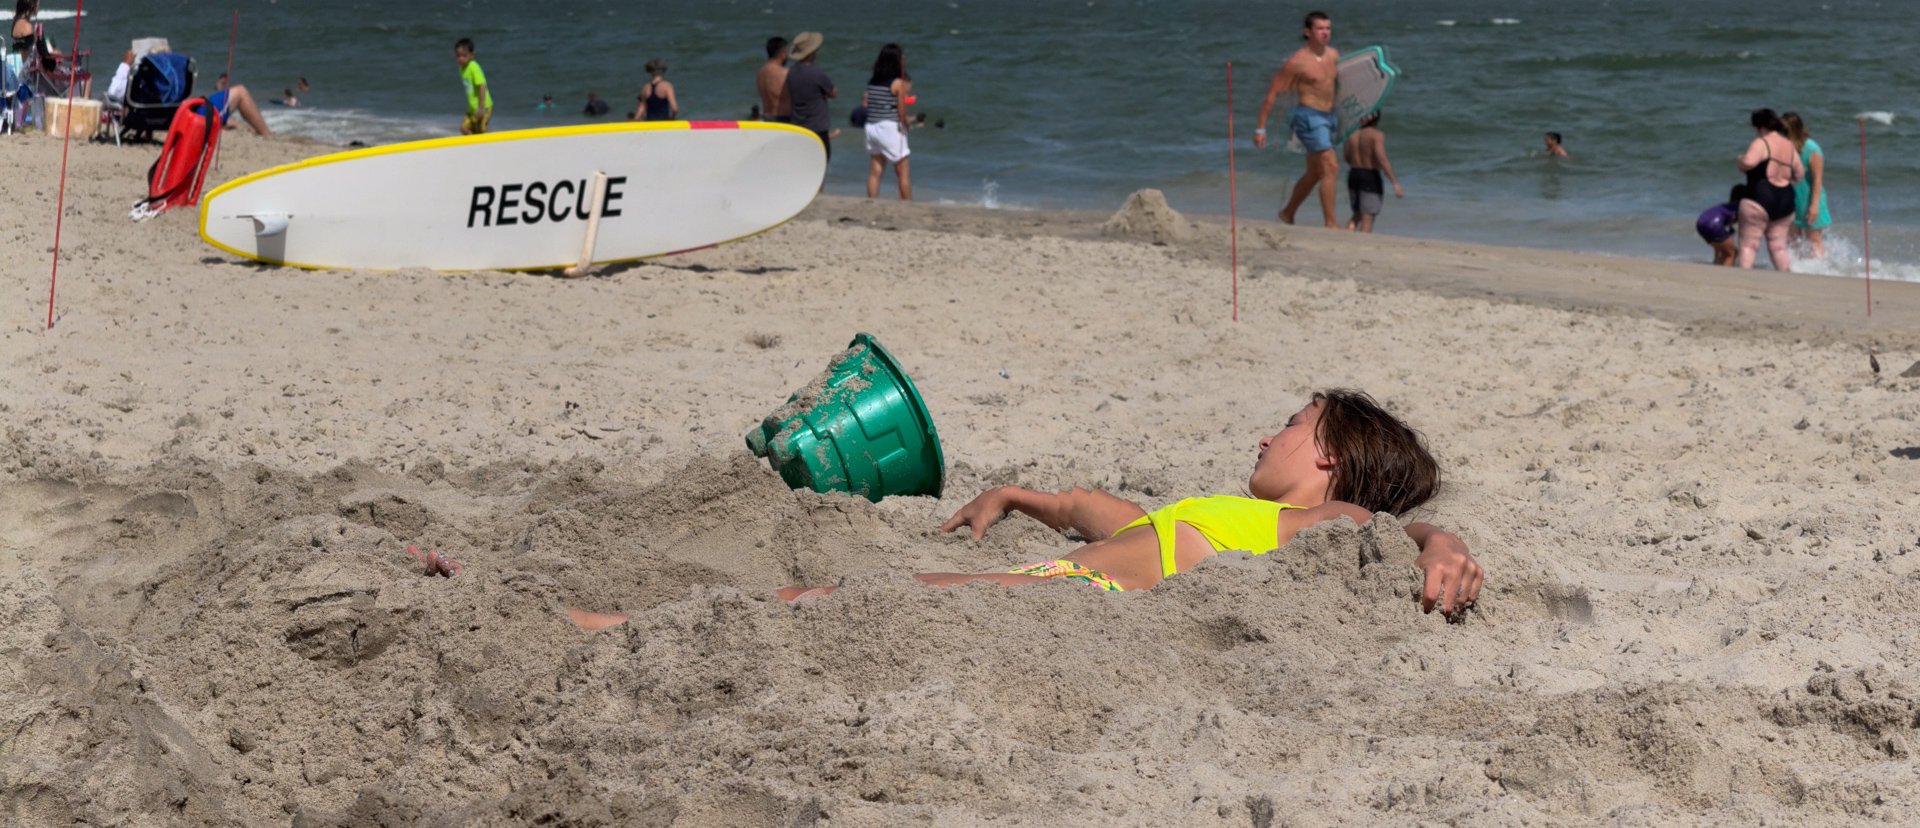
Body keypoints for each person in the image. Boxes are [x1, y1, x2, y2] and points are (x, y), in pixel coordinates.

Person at [773, 390, 1484, 617]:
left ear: (1329, 454)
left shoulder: (1322, 520)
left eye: (1294, 424)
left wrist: (1440, 539)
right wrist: (1022, 497)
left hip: (1071, 592)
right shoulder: (1236, 521)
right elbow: (1109, 518)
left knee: (848, 597)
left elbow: (1382, 529)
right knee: (855, 594)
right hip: (1065, 584)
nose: (1269, 434)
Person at [1255, 11, 1341, 227]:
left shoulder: (1333, 55)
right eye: (1320, 28)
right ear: (1307, 32)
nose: (1325, 33)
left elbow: (1341, 86)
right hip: (1308, 117)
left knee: (1315, 172)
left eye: (1328, 28)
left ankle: (1287, 213)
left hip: (1329, 116)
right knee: (1330, 167)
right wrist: (1260, 129)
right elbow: (1273, 94)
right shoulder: (1297, 62)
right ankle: (1331, 224)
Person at [1733, 108, 1804, 271]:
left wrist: (1740, 160)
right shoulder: (1789, 146)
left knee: (1749, 245)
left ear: (1761, 127)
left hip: (1759, 197)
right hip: (1785, 201)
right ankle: (1785, 278)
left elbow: (1749, 162)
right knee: (1778, 247)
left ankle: (1744, 279)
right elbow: (1800, 174)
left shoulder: (1762, 142)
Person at [863, 43, 912, 200]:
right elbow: (901, 112)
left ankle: (872, 201)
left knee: (876, 169)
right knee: (903, 170)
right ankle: (909, 204)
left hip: (871, 126)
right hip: (889, 127)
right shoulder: (898, 83)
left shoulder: (873, 81)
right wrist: (906, 124)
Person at [1342, 111, 1402, 233]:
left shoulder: (1352, 134)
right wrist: (1395, 182)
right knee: (1367, 217)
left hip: (1354, 174)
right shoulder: (1376, 135)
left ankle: (1347, 238)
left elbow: (1346, 157)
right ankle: (1362, 244)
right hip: (1370, 176)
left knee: (1356, 215)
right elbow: (1382, 159)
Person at [1781, 112, 1830, 259]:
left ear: (1794, 131)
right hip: (1792, 200)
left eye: (1784, 131)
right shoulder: (1785, 148)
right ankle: (1796, 271)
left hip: (1810, 199)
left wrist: (1814, 206)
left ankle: (1818, 271)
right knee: (1792, 240)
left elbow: (1817, 180)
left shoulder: (1812, 149)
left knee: (1813, 239)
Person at [784, 31, 836, 163]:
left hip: (798, 125)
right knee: (821, 163)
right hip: (817, 126)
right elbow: (833, 93)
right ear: (812, 52)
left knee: (803, 164)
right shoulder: (816, 73)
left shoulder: (791, 72)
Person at [205, 73, 273, 136]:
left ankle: (228, 123)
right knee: (241, 92)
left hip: (200, 109)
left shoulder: (219, 84)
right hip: (202, 116)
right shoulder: (219, 84)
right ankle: (266, 133)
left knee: (231, 119)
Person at [454, 37, 491, 135]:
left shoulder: (474, 67)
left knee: (481, 130)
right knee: (464, 128)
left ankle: (489, 144)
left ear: (472, 55)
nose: (460, 58)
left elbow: (482, 86)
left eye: (464, 56)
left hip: (484, 106)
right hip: (472, 108)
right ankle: (475, 145)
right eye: (458, 56)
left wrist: (481, 107)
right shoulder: (461, 68)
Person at [1696, 196, 1739, 267]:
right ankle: (1724, 274)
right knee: (1732, 253)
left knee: (1720, 249)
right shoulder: (1739, 207)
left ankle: (1716, 268)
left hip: (1700, 223)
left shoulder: (1726, 206)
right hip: (1714, 224)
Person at [757, 36, 791, 122]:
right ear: (782, 53)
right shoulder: (785, 72)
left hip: (767, 118)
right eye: (786, 52)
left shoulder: (761, 73)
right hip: (783, 119)